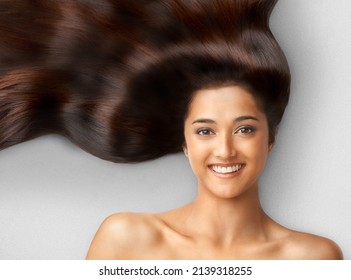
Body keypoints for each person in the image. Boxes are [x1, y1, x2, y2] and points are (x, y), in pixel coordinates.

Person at [86, 83, 342, 259]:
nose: (225, 151)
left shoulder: (312, 258)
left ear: (270, 141)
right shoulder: (126, 239)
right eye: (205, 131)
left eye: (244, 129)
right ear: (185, 144)